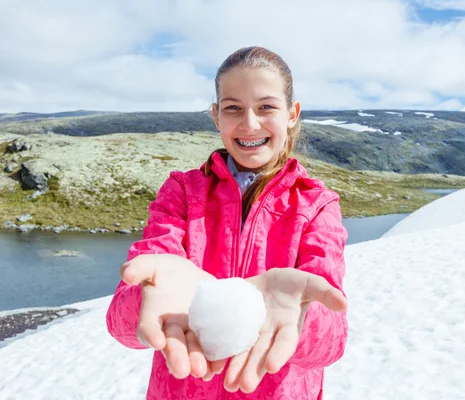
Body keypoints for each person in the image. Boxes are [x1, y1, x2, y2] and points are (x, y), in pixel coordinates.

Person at [106, 46, 349, 400]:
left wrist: (300, 315)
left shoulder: (316, 206)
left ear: (292, 114)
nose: (250, 124)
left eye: (266, 107)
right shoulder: (181, 194)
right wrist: (147, 298)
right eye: (233, 108)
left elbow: (332, 342)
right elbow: (121, 323)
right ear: (216, 115)